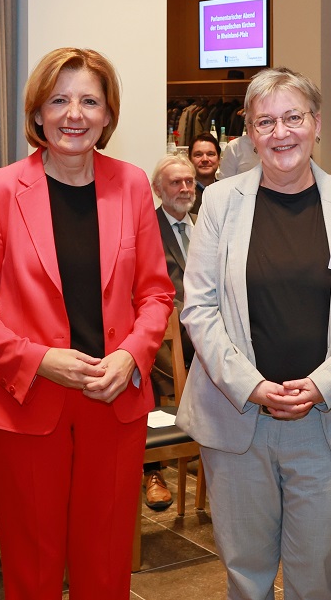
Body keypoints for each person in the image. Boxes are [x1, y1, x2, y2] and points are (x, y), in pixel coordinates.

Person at [0, 47, 174, 598]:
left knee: (106, 564)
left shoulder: (132, 184)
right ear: (38, 113)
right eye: (60, 99)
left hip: (112, 396)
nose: (75, 113)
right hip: (29, 399)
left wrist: (133, 355)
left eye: (89, 101)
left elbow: (156, 292)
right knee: (33, 568)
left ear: (107, 115)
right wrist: (37, 358)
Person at [177, 67, 331, 599]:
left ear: (316, 124)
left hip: (325, 418)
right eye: (265, 121)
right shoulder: (220, 203)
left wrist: (325, 383)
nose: (281, 132)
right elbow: (199, 308)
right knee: (246, 570)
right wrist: (249, 384)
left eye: (293, 117)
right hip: (237, 416)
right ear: (249, 132)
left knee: (314, 567)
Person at [144, 153, 198, 510]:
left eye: (189, 181)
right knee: (145, 374)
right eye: (176, 182)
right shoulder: (145, 228)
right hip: (168, 328)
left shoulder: (207, 224)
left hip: (209, 327)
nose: (184, 188)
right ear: (158, 189)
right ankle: (152, 470)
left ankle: (221, 453)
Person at [189, 132, 220, 213]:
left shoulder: (228, 193)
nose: (205, 159)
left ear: (219, 159)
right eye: (198, 155)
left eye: (210, 154)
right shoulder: (184, 194)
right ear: (189, 159)